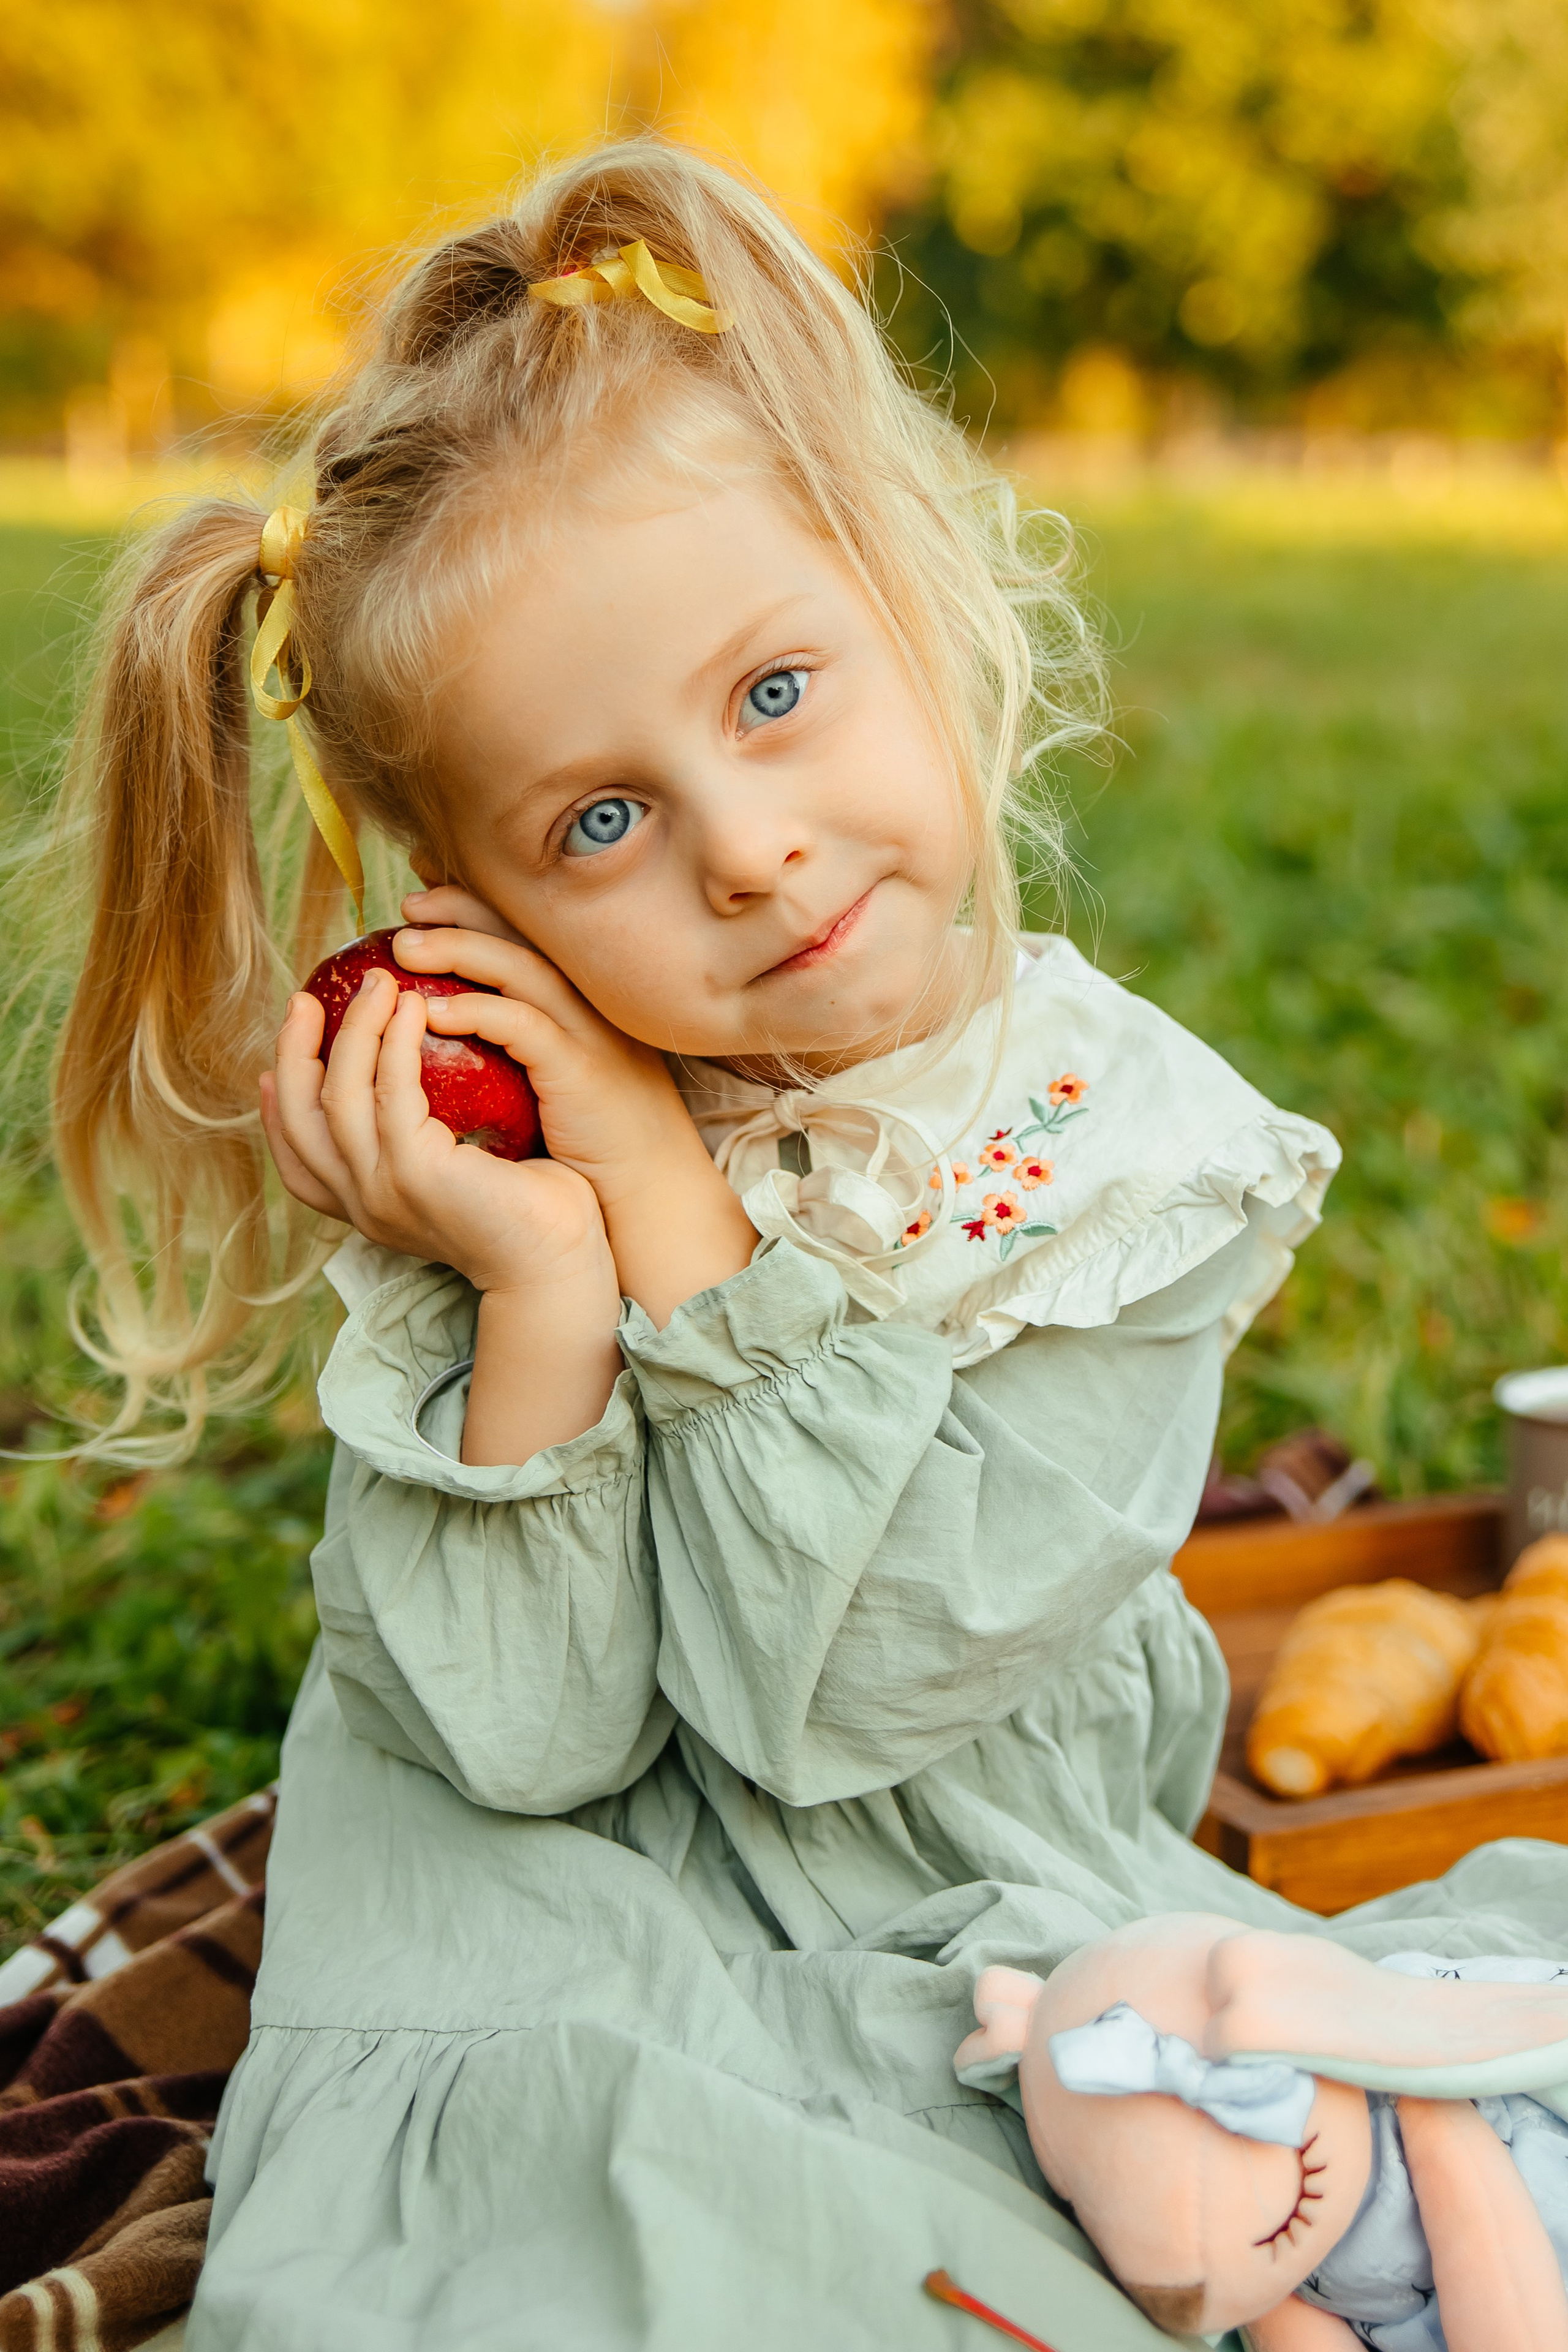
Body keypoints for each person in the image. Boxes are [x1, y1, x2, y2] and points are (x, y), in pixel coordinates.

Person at [50, 141, 1568, 2351]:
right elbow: (526, 1744)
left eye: (774, 694)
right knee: (645, 2225)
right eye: (599, 821)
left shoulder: (1100, 1160)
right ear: (465, 912)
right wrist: (554, 1281)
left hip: (959, 1896)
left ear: (913, 591)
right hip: (522, 1933)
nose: (749, 852)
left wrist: (676, 1217)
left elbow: (834, 1691)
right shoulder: (519, 1172)